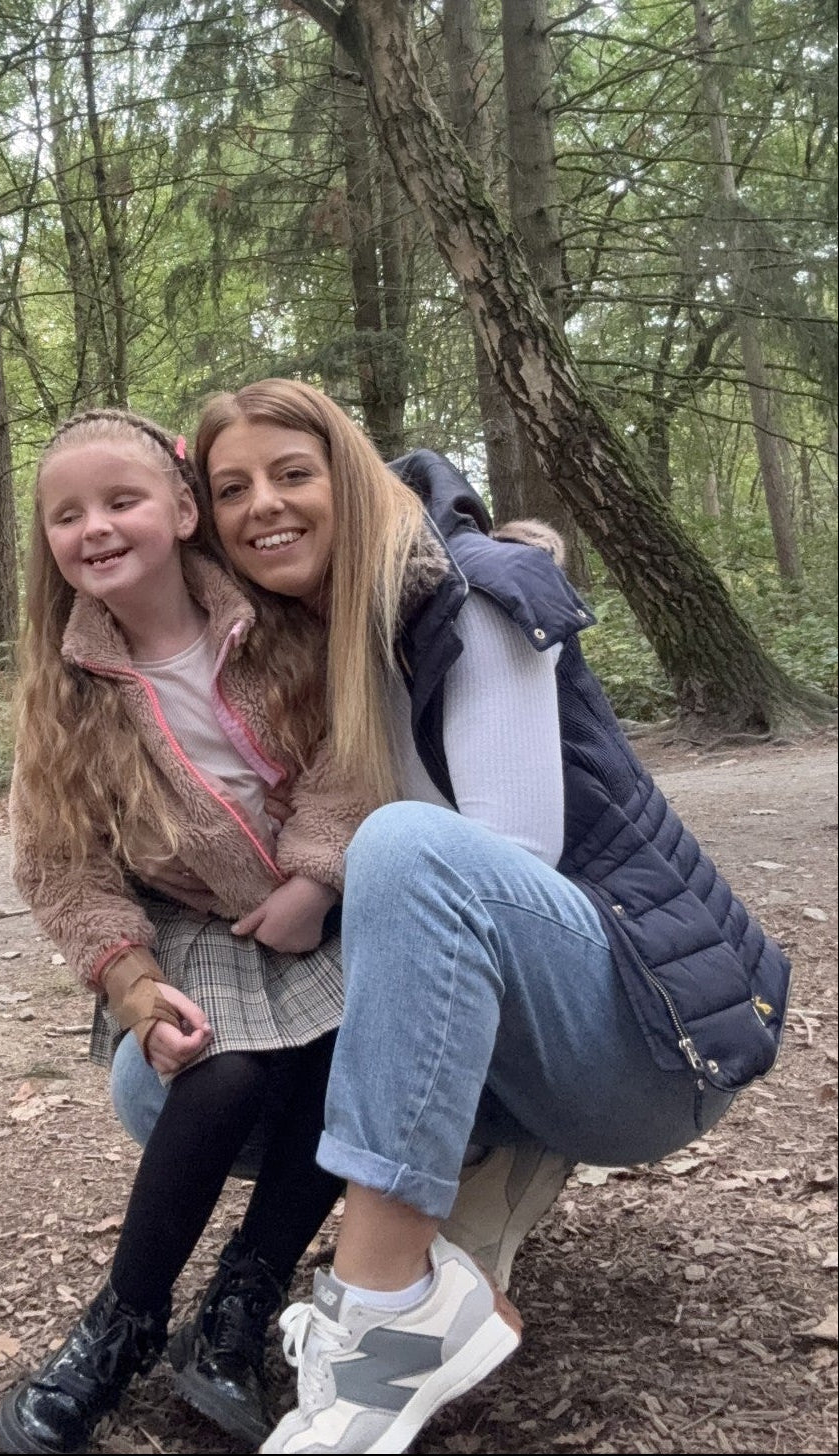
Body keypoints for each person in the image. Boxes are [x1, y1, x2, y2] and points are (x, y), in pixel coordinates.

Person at [114, 378, 788, 1455]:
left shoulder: (467, 595)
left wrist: (339, 875)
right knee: (164, 1085)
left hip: (646, 1036)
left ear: (350, 475)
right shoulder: (298, 643)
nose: (261, 506)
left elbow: (500, 859)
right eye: (229, 487)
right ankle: (479, 1188)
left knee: (404, 852)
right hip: (507, 1029)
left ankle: (387, 1320)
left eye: (292, 473)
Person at [0, 408, 375, 1455]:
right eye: (67, 515)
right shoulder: (64, 685)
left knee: (345, 1054)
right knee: (221, 1069)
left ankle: (240, 1304)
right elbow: (59, 865)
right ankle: (119, 1326)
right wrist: (127, 983)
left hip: (322, 900)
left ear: (179, 505)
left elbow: (356, 745)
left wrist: (311, 875)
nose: (96, 528)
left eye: (120, 501)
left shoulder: (272, 619)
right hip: (189, 920)